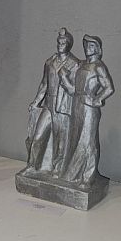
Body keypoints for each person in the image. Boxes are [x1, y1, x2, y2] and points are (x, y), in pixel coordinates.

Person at [60, 34, 114, 188]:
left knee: (88, 141)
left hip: (89, 108)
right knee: (75, 138)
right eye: (86, 45)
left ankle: (87, 177)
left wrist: (97, 99)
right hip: (77, 104)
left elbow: (109, 88)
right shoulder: (82, 65)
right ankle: (73, 174)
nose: (87, 49)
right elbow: (73, 90)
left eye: (91, 46)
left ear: (97, 49)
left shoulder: (98, 67)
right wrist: (64, 79)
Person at [24, 28, 80, 175]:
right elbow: (44, 84)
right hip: (48, 105)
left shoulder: (74, 64)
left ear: (69, 44)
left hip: (63, 107)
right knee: (38, 137)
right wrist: (36, 102)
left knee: (61, 141)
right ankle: (32, 165)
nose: (60, 45)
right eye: (58, 42)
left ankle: (58, 169)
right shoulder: (49, 62)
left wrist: (65, 79)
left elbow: (75, 90)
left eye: (63, 43)